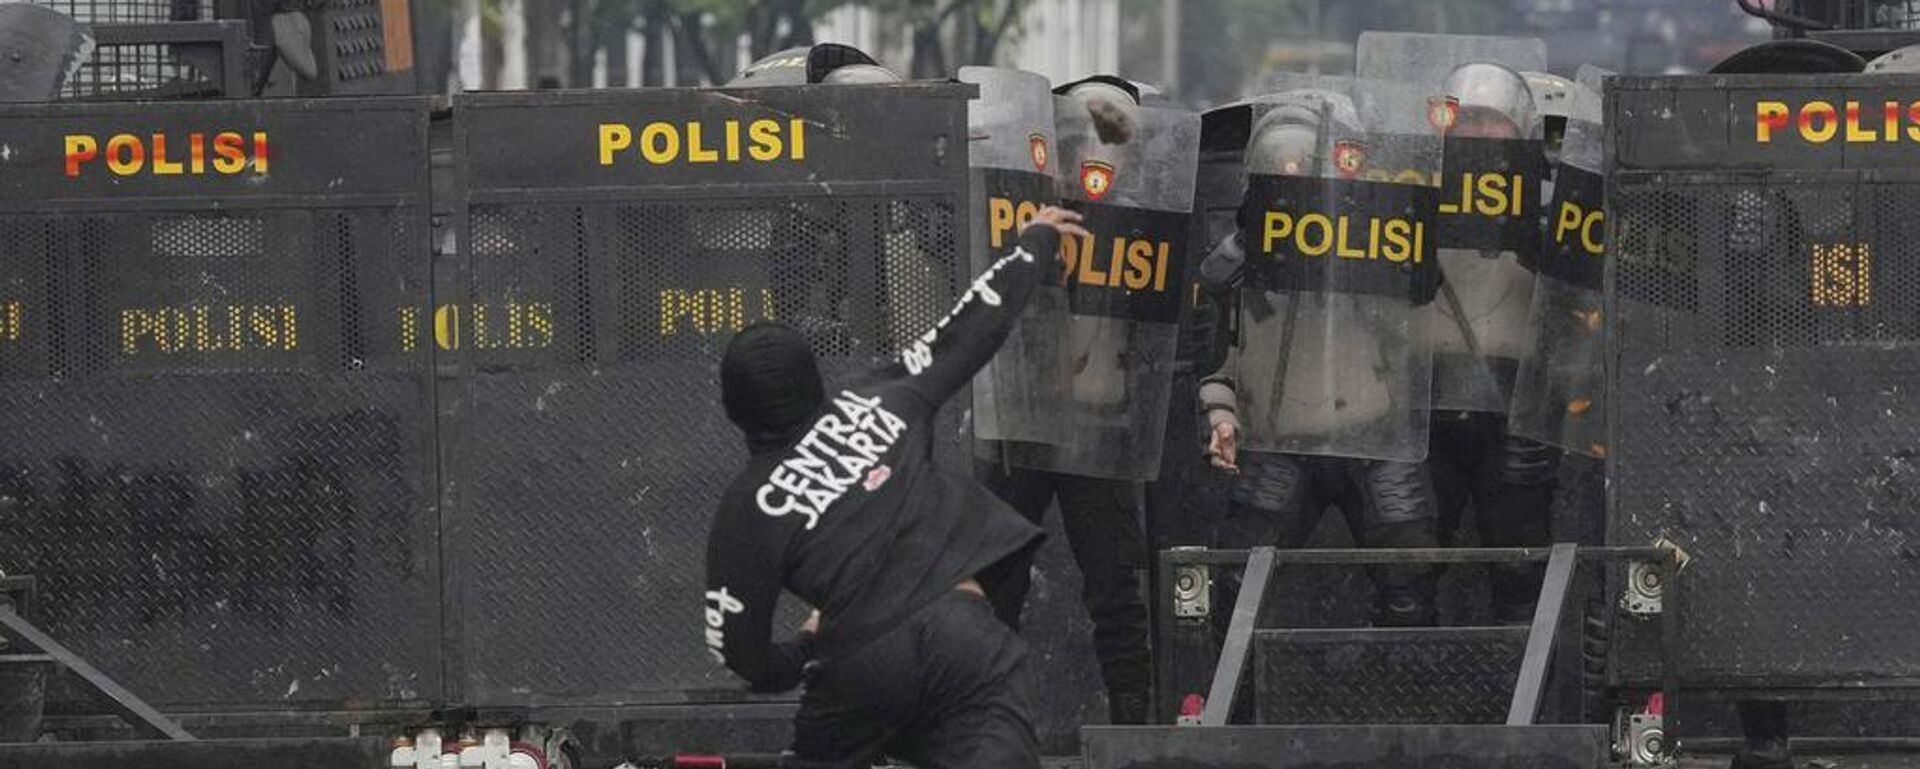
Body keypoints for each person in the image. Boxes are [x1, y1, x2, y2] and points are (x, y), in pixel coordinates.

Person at [703, 207, 1087, 768]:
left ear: (734, 411)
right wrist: (1035, 241)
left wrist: (805, 648)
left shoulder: (748, 507)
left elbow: (740, 655)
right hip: (967, 637)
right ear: (816, 385)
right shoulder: (881, 399)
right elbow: (971, 327)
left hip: (863, 657)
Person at [1200, 88, 1443, 632]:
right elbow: (1219, 358)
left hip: (1372, 434)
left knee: (1409, 586)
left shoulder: (1375, 242)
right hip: (1281, 438)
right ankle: (1236, 714)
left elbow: (1415, 328)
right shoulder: (1242, 260)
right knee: (1238, 596)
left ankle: (1412, 710)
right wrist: (1220, 414)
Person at [973, 75, 1163, 726]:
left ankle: (1133, 720)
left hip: (1095, 415)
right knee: (996, 580)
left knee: (1115, 586)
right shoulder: (1021, 197)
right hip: (1024, 414)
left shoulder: (1145, 212)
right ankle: (980, 716)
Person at [1425, 62, 1560, 625]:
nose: (1480, 134)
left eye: (1494, 122)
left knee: (1520, 568)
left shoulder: (1552, 204)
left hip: (1518, 400)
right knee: (1408, 564)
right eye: (1470, 119)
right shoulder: (1418, 196)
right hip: (1425, 397)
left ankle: (1525, 706)